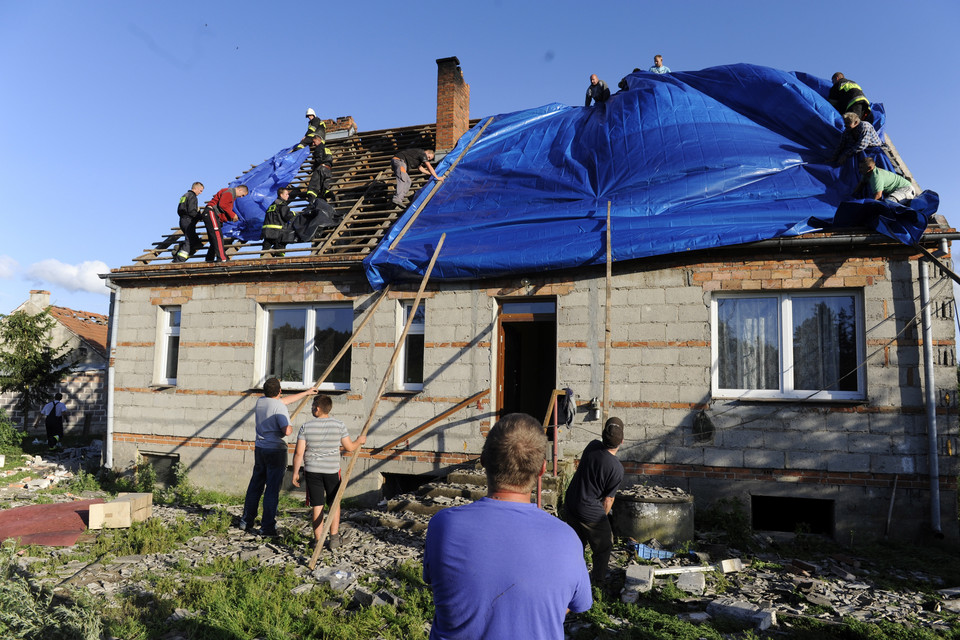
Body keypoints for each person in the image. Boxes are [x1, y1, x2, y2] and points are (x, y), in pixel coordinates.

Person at [424, 413, 592, 639]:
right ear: (542, 469)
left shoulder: (443, 526)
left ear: (483, 461)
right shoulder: (568, 538)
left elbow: (437, 583)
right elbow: (576, 603)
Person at [238, 377, 316, 537]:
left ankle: (246, 521)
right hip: (276, 451)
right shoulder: (279, 408)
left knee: (255, 485)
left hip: (260, 449)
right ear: (279, 391)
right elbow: (286, 430)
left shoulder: (261, 402)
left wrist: (306, 392)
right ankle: (267, 527)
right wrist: (289, 427)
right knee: (272, 490)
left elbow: (282, 402)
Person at [291, 395, 366, 550]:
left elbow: (299, 453)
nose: (311, 408)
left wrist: (295, 472)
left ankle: (318, 541)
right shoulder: (339, 425)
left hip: (312, 471)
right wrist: (360, 441)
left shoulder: (306, 427)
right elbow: (350, 447)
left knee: (317, 505)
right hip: (331, 471)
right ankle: (334, 538)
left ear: (318, 409)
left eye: (312, 406)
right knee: (334, 504)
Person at [564, 416, 625, 585]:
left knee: (576, 544)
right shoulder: (616, 468)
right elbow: (608, 500)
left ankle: (571, 579)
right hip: (589, 508)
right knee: (604, 545)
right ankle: (597, 583)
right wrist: (601, 520)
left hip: (571, 501)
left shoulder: (592, 446)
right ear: (622, 441)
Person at [202, 185, 248, 262]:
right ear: (240, 189)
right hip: (211, 213)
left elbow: (223, 208)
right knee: (217, 236)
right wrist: (232, 215)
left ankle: (209, 259)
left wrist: (231, 217)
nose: (242, 197)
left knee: (215, 237)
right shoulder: (229, 193)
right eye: (242, 195)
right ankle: (222, 258)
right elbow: (223, 205)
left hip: (213, 214)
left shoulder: (230, 195)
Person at [172, 182, 205, 262]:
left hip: (182, 220)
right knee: (189, 240)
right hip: (188, 221)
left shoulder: (185, 195)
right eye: (200, 190)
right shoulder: (192, 196)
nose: (200, 193)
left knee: (196, 242)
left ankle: (179, 248)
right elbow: (192, 211)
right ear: (195, 188)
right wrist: (201, 217)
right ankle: (179, 260)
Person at [261, 186, 296, 257]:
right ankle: (280, 263)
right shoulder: (282, 206)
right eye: (286, 194)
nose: (288, 196)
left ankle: (261, 263)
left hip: (267, 232)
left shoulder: (271, 206)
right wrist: (293, 214)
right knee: (280, 250)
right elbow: (286, 217)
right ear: (281, 195)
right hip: (278, 232)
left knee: (265, 250)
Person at [305, 135, 335, 204]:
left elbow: (318, 159)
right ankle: (331, 200)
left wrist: (314, 167)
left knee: (313, 187)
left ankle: (311, 202)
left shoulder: (319, 148)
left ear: (319, 140)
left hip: (320, 168)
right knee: (324, 189)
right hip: (328, 170)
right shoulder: (327, 149)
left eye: (314, 142)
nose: (313, 144)